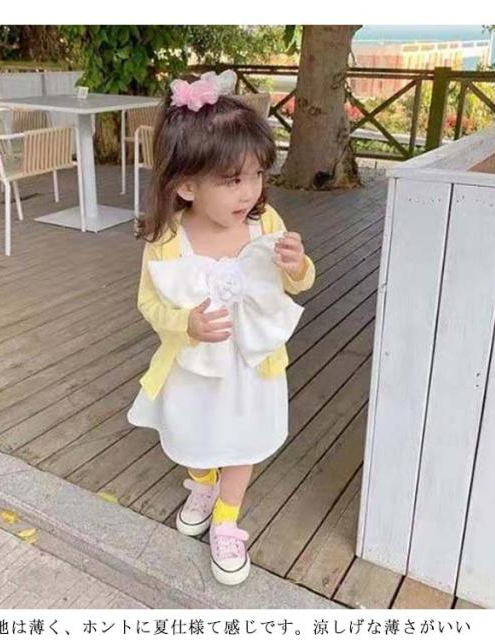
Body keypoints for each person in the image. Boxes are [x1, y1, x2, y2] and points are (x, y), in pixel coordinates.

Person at [127, 70, 316, 586]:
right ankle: (203, 482)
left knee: (242, 440)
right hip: (195, 368)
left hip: (253, 367)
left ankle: (228, 519)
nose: (249, 191)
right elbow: (149, 302)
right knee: (194, 435)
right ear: (186, 185)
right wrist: (184, 323)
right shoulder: (168, 239)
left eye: (256, 175)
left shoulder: (265, 223)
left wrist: (298, 265)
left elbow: (296, 283)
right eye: (232, 180)